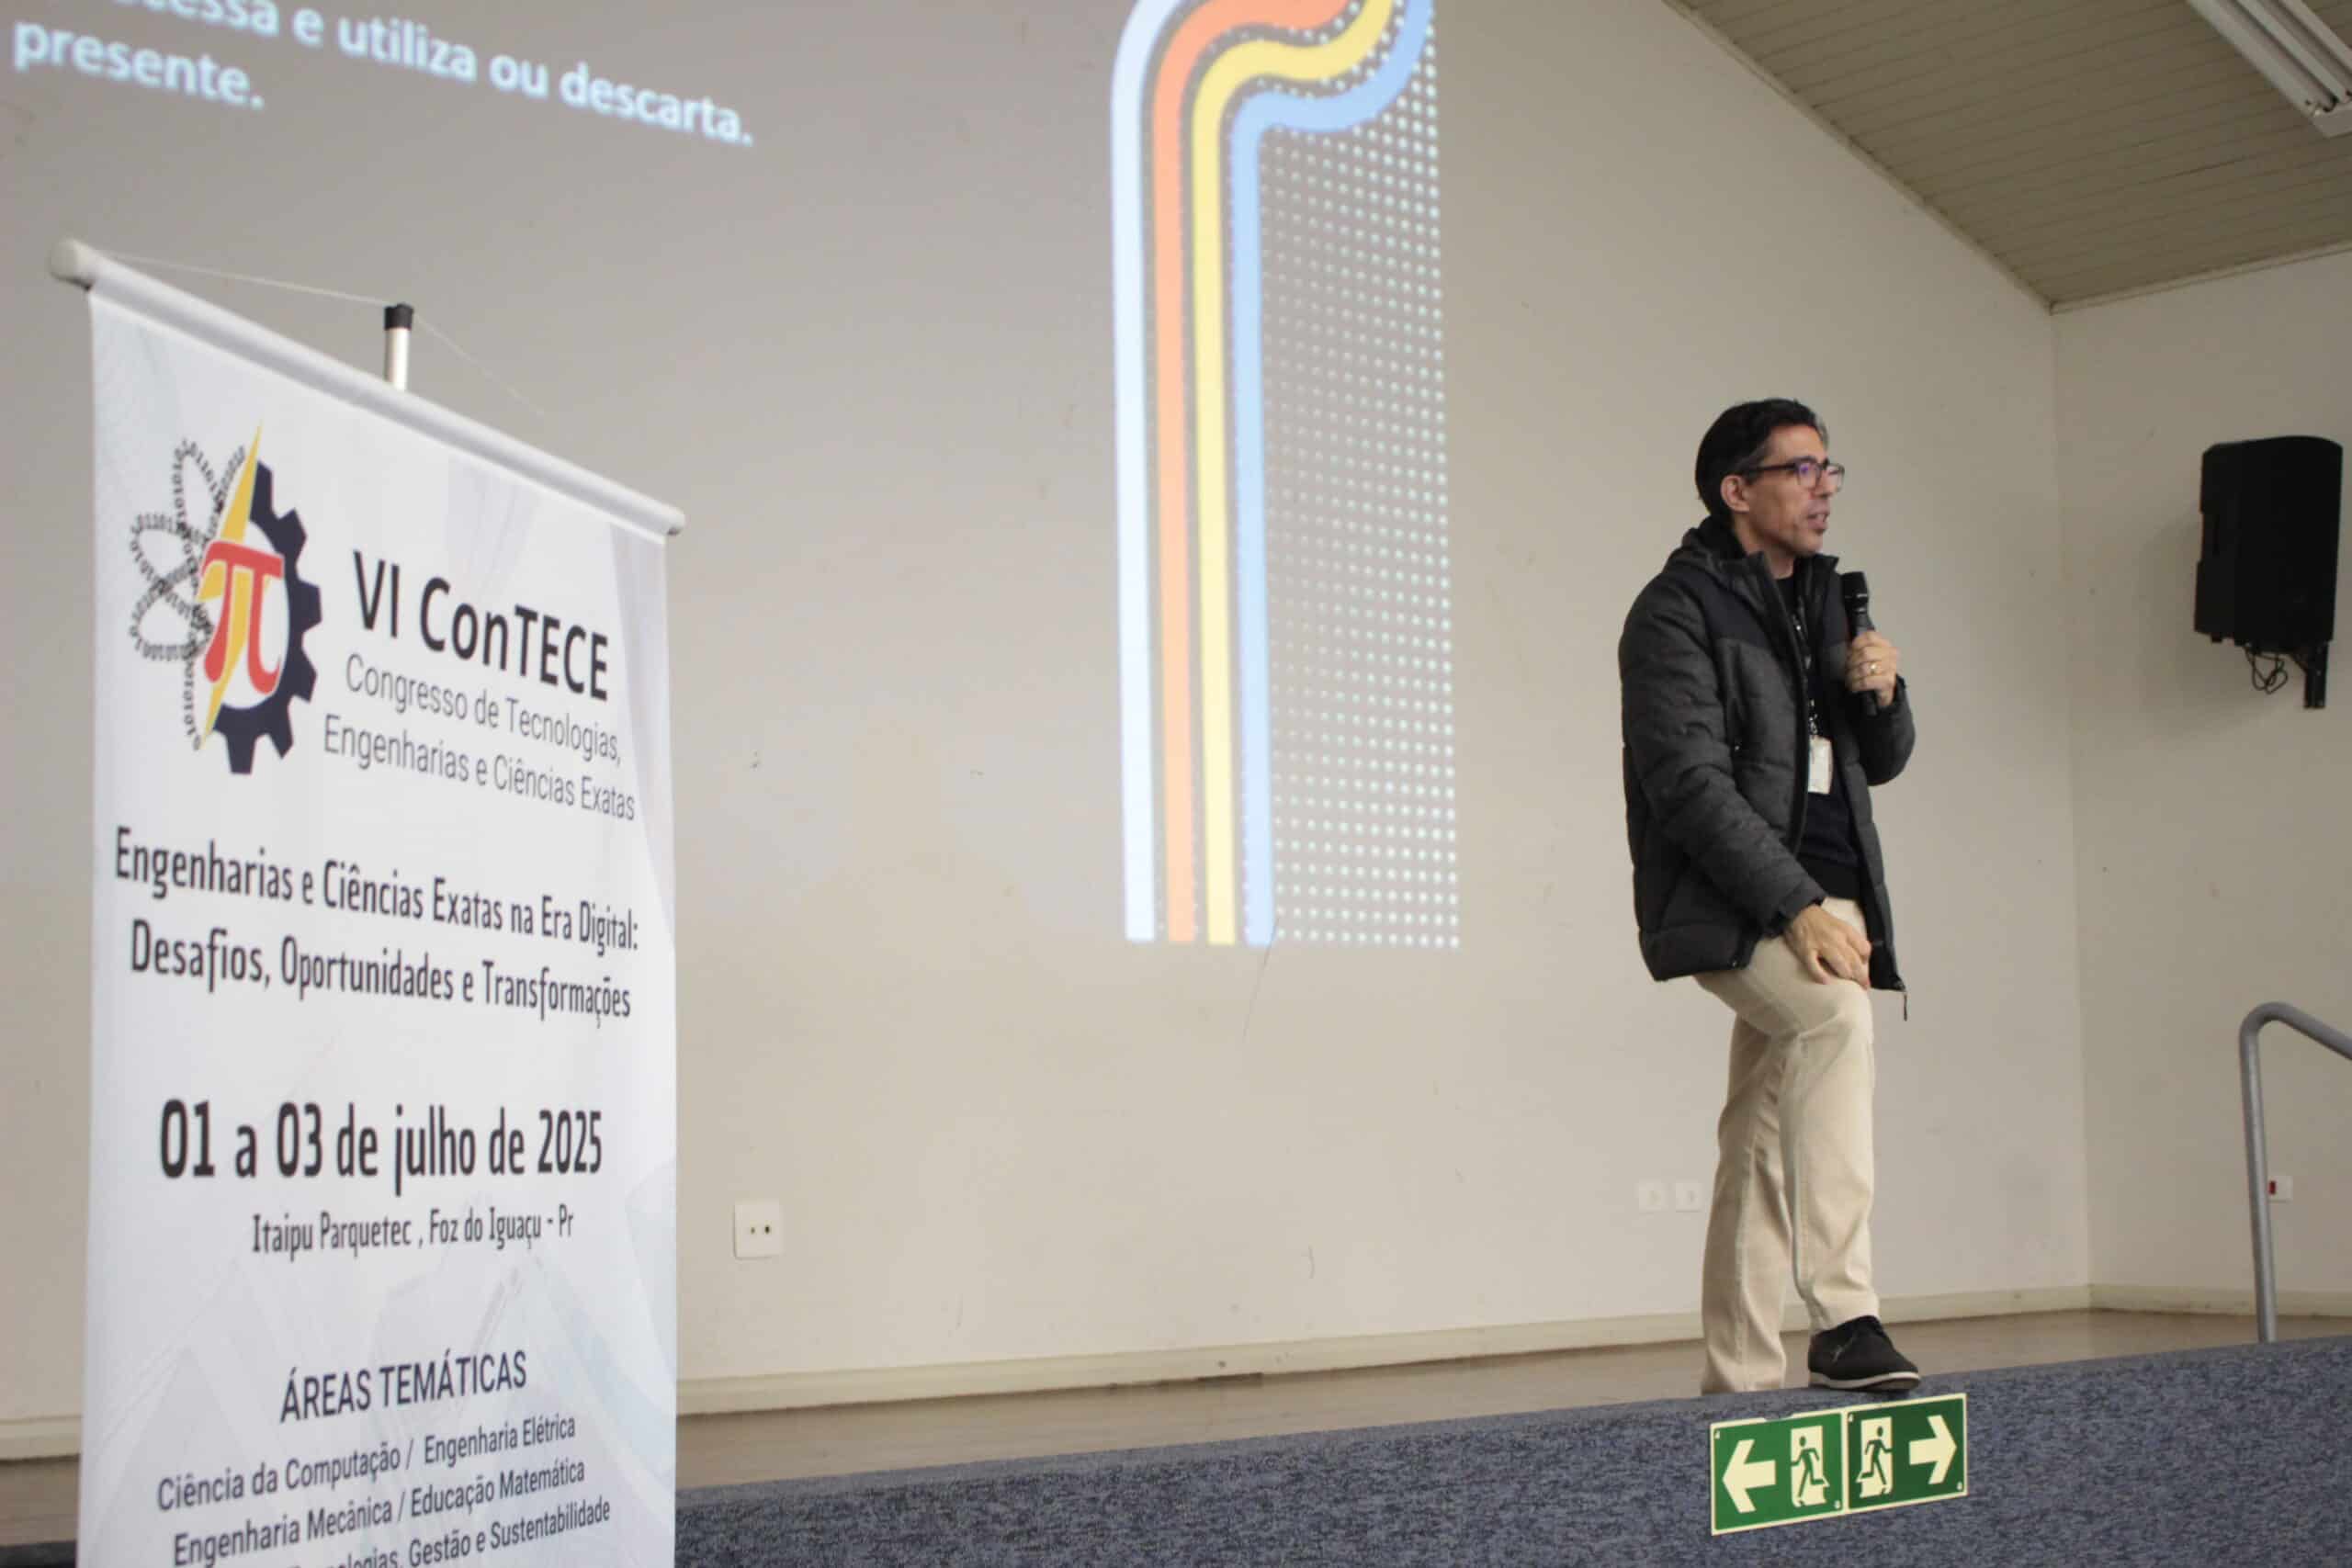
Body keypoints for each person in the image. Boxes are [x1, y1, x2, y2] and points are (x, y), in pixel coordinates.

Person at [1617, 398, 1921, 1394]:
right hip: (1741, 898)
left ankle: (1739, 1379)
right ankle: (1845, 1315)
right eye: (1800, 470)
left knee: (1760, 1134)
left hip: (1833, 892)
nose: (1822, 488)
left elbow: (1878, 759)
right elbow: (1687, 784)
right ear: (1736, 490)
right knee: (1831, 1022)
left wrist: (1884, 693)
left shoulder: (1830, 600)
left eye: (1830, 469)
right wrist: (1796, 907)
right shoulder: (1676, 610)